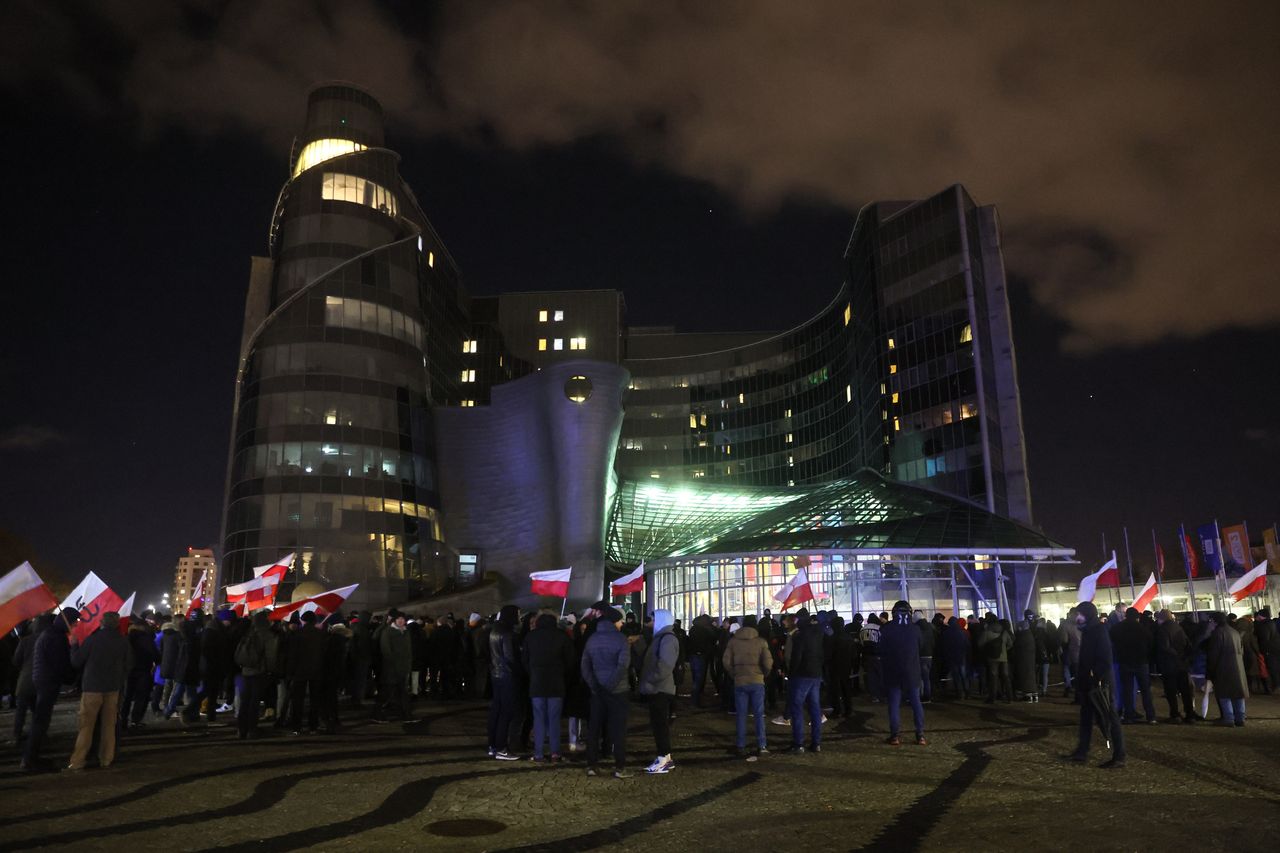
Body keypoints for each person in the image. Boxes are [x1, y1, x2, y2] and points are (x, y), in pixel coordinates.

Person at [68, 611, 130, 770]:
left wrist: (74, 645)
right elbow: (130, 663)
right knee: (109, 725)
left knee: (86, 726)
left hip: (92, 687)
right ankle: (106, 758)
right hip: (113, 687)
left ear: (101, 622)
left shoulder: (93, 639)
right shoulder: (123, 641)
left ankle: (78, 760)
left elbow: (76, 661)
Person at [1067, 601, 1125, 769]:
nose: (1077, 617)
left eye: (1080, 614)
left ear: (1087, 615)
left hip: (1100, 684)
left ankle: (1119, 755)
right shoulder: (1088, 630)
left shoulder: (1098, 631)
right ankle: (1081, 752)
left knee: (1110, 717)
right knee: (1086, 717)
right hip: (1088, 682)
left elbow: (1105, 659)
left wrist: (1095, 677)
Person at [22, 609, 80, 771]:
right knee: (41, 722)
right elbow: (60, 664)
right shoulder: (56, 637)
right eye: (74, 621)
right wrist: (71, 676)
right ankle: (30, 759)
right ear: (65, 620)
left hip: (43, 680)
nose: (75, 625)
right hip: (47, 681)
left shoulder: (51, 634)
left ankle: (31, 757)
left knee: (41, 721)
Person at [581, 606, 632, 778]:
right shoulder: (621, 639)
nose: (621, 624)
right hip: (618, 691)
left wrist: (595, 686)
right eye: (619, 621)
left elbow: (585, 666)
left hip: (597, 691)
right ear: (613, 622)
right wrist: (610, 686)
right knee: (618, 730)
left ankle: (591, 765)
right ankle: (619, 767)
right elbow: (622, 666)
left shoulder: (592, 639)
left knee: (594, 728)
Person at [522, 612, 573, 763]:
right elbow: (570, 660)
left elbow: (524, 659)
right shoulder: (562, 636)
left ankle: (538, 753)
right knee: (554, 720)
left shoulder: (531, 637)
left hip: (537, 683)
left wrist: (532, 672)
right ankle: (555, 752)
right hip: (556, 683)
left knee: (538, 719)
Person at [722, 614, 771, 760]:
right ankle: (762, 745)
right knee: (758, 714)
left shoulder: (733, 642)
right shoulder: (761, 642)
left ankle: (741, 745)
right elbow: (768, 663)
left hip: (740, 681)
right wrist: (764, 673)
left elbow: (726, 661)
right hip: (757, 680)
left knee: (741, 715)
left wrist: (734, 674)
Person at [639, 608, 680, 773]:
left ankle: (663, 758)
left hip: (660, 688)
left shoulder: (667, 639)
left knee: (660, 725)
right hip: (657, 687)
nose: (652, 622)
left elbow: (665, 665)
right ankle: (665, 758)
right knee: (658, 724)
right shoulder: (662, 637)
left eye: (654, 619)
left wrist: (651, 679)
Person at [880, 601, 927, 746]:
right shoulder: (916, 629)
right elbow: (922, 646)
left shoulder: (887, 629)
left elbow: (881, 650)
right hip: (912, 671)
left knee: (894, 704)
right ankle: (920, 735)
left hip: (893, 672)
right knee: (916, 703)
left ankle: (895, 736)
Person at [784, 609, 824, 754]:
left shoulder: (800, 636)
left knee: (797, 708)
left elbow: (796, 657)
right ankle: (816, 742)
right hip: (816, 674)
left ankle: (798, 743)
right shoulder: (818, 633)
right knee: (815, 709)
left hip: (801, 675)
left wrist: (791, 673)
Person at [234, 609, 278, 739]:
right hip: (259, 671)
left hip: (245, 671)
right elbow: (271, 656)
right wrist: (272, 671)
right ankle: (252, 730)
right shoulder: (268, 635)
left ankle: (241, 729)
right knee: (254, 702)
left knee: (244, 702)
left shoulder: (248, 633)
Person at [487, 605, 522, 759]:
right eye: (518, 614)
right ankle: (501, 747)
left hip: (496, 674)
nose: (519, 618)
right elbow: (510, 657)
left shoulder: (495, 630)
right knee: (506, 712)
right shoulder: (507, 633)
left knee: (497, 710)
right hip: (507, 675)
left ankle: (493, 745)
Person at [1113, 607, 1157, 724]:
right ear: (1137, 617)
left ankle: (1129, 715)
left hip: (1124, 661)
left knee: (1127, 690)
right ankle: (1151, 716)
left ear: (1126, 616)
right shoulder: (1143, 629)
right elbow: (1151, 644)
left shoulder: (1117, 628)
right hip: (1141, 662)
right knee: (1145, 690)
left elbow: (1112, 642)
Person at [1204, 612, 1248, 726]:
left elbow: (1213, 655)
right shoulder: (1234, 632)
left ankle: (1228, 718)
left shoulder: (1217, 633)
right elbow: (1241, 651)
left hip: (1223, 667)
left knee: (1224, 693)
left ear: (1214, 621)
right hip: (1237, 666)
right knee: (1238, 693)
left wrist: (1210, 670)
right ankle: (1240, 717)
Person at [287, 611, 327, 734]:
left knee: (297, 700)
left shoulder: (297, 634)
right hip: (317, 670)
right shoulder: (321, 635)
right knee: (315, 700)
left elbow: (292, 655)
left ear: (303, 621)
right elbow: (325, 654)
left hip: (299, 671)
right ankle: (313, 726)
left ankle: (296, 727)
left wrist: (290, 672)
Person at [1154, 609, 1197, 723]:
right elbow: (1188, 645)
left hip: (1169, 665)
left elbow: (1165, 647)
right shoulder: (1178, 627)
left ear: (1161, 618)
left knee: (1171, 691)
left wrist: (1175, 655)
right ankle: (1190, 713)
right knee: (1185, 690)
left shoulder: (1162, 629)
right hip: (1182, 665)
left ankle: (1175, 714)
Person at [377, 610, 412, 724]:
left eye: (403, 619)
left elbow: (408, 651)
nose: (401, 621)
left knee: (402, 692)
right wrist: (392, 665)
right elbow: (386, 650)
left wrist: (408, 665)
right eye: (399, 619)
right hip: (392, 668)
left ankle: (405, 714)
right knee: (388, 693)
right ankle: (378, 714)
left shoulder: (406, 632)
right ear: (394, 620)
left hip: (403, 668)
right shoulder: (388, 632)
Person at [941, 617, 970, 699]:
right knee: (963, 676)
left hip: (952, 658)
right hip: (961, 657)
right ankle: (967, 692)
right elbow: (967, 645)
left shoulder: (946, 633)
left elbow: (945, 647)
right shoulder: (962, 632)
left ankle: (960, 694)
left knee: (956, 676)